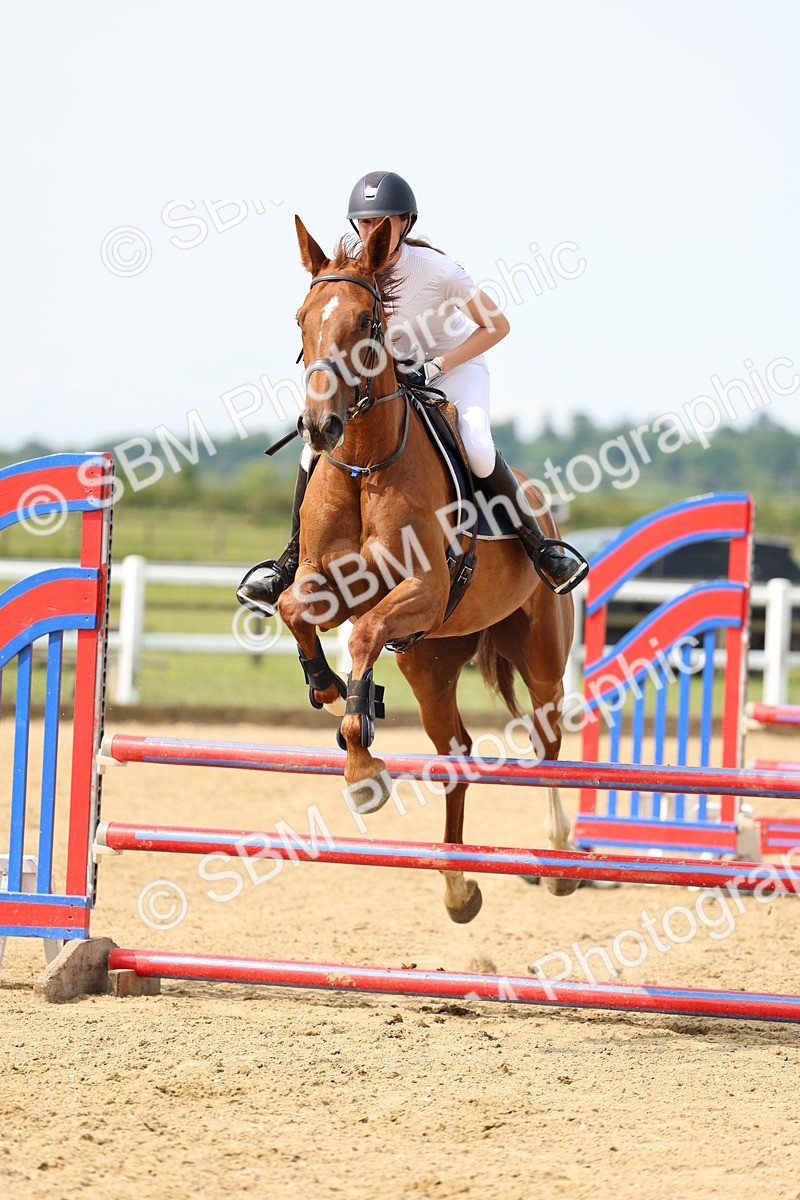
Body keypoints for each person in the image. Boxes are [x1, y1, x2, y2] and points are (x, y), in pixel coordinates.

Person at [238, 171, 586, 613]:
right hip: (393, 376)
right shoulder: (352, 277)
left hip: (454, 364)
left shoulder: (440, 272)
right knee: (312, 450)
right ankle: (290, 562)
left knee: (477, 446)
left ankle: (541, 550)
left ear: (405, 223)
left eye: (383, 221)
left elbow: (497, 326)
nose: (372, 231)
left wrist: (438, 365)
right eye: (364, 223)